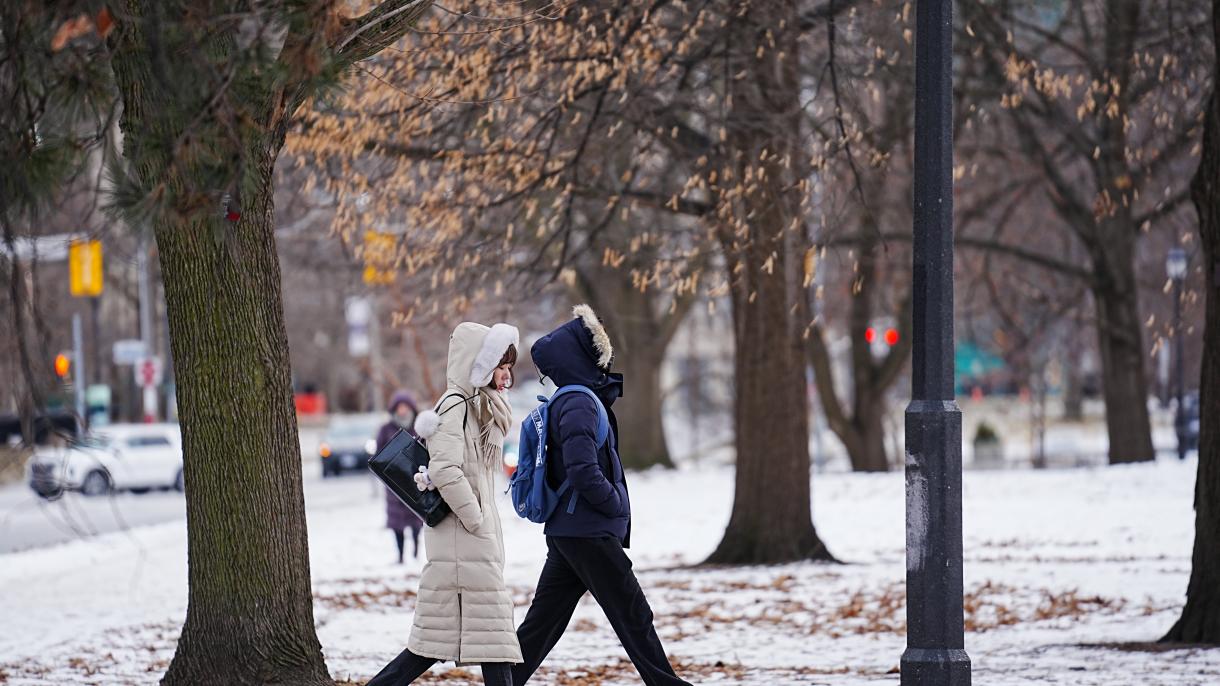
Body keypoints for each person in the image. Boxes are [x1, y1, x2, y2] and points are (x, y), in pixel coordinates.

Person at [512, 305, 690, 686]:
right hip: (588, 531)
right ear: (580, 357)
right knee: (634, 615)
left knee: (542, 624)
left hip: (570, 532)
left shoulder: (572, 398)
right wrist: (616, 503)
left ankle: (504, 680)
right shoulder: (577, 402)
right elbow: (582, 470)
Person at [367, 322, 523, 686]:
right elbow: (445, 469)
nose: (507, 375)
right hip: (462, 542)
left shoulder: (479, 406)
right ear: (479, 365)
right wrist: (476, 518)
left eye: (509, 367)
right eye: (502, 366)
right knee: (489, 640)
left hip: (469, 545)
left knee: (466, 641)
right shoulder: (455, 406)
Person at [377, 391, 424, 564]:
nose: (402, 410)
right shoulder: (385, 429)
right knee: (397, 524)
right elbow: (378, 454)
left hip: (415, 482)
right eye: (399, 407)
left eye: (406, 407)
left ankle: (416, 552)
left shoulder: (418, 428)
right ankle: (400, 555)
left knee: (416, 521)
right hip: (393, 485)